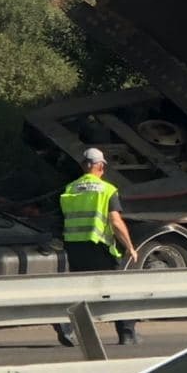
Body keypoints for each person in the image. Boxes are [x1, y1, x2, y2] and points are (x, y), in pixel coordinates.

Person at [54, 147, 139, 347]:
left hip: (74, 246)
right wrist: (130, 246)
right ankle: (127, 334)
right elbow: (115, 222)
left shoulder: (70, 188)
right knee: (117, 289)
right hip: (99, 246)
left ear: (84, 166)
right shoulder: (107, 190)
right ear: (100, 166)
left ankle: (66, 326)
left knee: (80, 289)